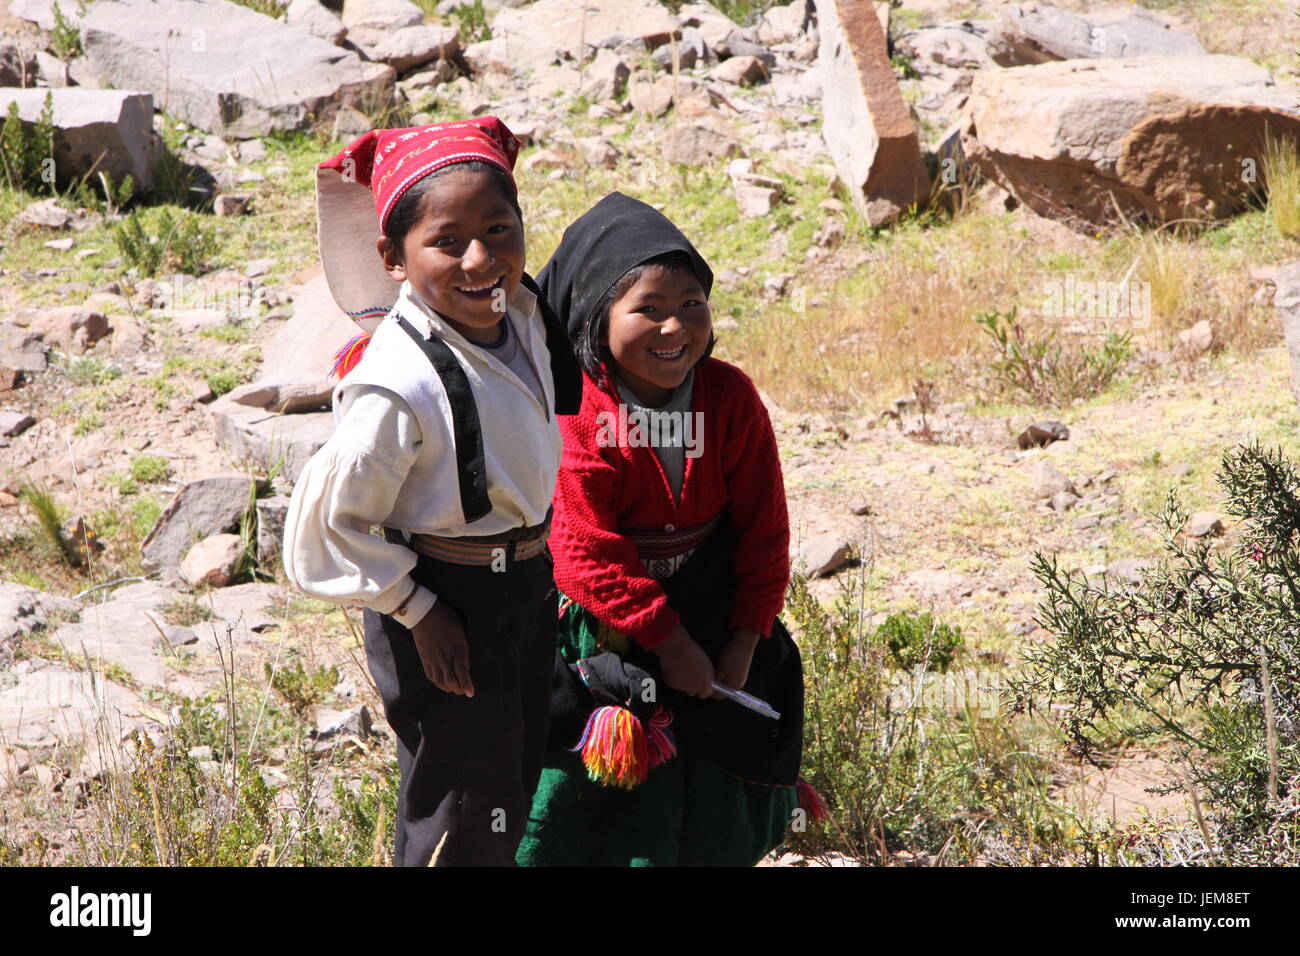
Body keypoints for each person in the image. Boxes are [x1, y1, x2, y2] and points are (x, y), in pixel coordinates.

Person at [282, 117, 581, 867]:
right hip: (449, 601)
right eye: (448, 241)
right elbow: (325, 530)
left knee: (508, 784)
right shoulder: (397, 382)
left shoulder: (518, 314)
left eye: (499, 229)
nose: (482, 259)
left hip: (522, 587)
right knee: (456, 809)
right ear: (393, 256)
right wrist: (418, 611)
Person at [516, 192, 812, 867]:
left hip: (711, 615)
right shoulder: (581, 413)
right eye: (647, 308)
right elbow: (585, 553)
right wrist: (667, 642)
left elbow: (765, 530)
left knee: (712, 793)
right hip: (606, 626)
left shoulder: (730, 399)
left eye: (692, 306)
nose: (674, 328)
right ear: (596, 316)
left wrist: (746, 636)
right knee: (592, 807)